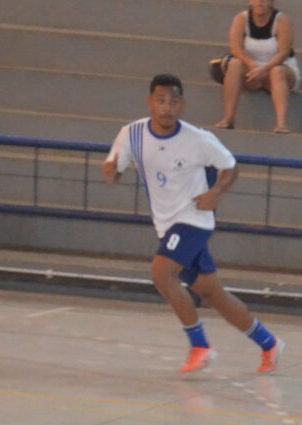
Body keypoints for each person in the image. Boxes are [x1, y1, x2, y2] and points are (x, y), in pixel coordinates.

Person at [103, 75, 282, 375]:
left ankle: (200, 346)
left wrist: (215, 194)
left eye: (173, 102)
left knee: (161, 273)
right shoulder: (132, 134)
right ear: (150, 102)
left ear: (182, 105)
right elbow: (115, 171)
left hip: (194, 220)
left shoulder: (198, 139)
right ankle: (269, 343)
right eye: (160, 101)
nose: (167, 108)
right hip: (165, 224)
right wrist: (110, 172)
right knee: (213, 293)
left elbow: (230, 167)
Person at [214, 0, 297, 135]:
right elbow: (235, 48)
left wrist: (264, 69)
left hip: (279, 69)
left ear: (272, 1)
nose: (260, 0)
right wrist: (252, 66)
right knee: (235, 65)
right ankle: (228, 118)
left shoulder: (281, 20)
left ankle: (281, 123)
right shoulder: (241, 19)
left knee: (277, 71)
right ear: (250, 0)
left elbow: (283, 52)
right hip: (251, 71)